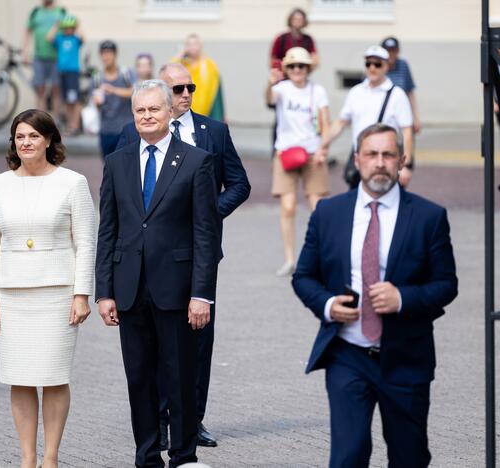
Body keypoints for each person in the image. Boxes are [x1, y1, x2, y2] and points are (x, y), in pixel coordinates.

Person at [292, 123, 458, 467]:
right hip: (347, 355)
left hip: (406, 357)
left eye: (388, 154)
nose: (379, 162)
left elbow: (446, 284)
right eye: (371, 154)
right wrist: (326, 305)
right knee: (348, 457)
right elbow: (304, 276)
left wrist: (403, 299)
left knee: (408, 456)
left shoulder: (429, 217)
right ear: (357, 159)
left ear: (402, 161)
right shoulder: (329, 213)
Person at [116, 64, 250, 451]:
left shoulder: (213, 132)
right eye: (177, 88)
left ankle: (193, 418)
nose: (186, 93)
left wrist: (206, 212)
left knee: (197, 340)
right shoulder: (134, 132)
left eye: (190, 86)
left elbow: (239, 183)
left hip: (197, 253)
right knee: (154, 345)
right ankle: (158, 421)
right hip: (150, 259)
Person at [96, 79, 220, 467]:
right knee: (139, 378)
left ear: (170, 112)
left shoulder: (197, 161)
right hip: (130, 288)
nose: (147, 116)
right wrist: (104, 292)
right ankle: (147, 456)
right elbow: (108, 229)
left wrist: (202, 294)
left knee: (180, 375)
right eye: (140, 111)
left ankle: (184, 456)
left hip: (178, 290)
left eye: (154, 109)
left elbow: (205, 234)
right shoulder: (117, 162)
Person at [0, 109, 95, 468]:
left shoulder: (73, 183)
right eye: (20, 137)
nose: (26, 142)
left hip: (57, 295)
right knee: (21, 378)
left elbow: (86, 242)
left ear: (48, 140)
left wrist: (81, 293)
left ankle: (51, 458)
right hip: (12, 295)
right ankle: (27, 458)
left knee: (54, 376)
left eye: (33, 136)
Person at [265, 47, 330, 277]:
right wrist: (270, 83)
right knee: (288, 206)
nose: (297, 70)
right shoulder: (281, 88)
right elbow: (270, 99)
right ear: (286, 69)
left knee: (318, 207)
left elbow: (325, 122)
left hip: (312, 153)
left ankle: (320, 256)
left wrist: (324, 148)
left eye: (301, 66)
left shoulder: (318, 91)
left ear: (308, 68)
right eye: (292, 66)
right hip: (286, 152)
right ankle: (290, 258)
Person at [319, 46, 414, 188]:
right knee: (357, 205)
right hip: (361, 159)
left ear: (386, 66)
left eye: (377, 64)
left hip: (385, 162)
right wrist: (322, 144)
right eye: (368, 64)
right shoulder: (356, 92)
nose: (372, 68)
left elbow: (407, 131)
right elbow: (341, 123)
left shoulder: (397, 95)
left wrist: (406, 165)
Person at [23, 0, 66, 113]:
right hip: (39, 57)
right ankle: (40, 121)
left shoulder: (61, 12)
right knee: (40, 89)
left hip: (57, 58)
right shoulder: (36, 12)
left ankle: (55, 121)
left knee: (56, 90)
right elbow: (27, 31)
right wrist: (25, 52)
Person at [92, 40, 133, 157]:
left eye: (109, 53)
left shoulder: (126, 74)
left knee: (127, 166)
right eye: (103, 53)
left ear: (115, 54)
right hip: (106, 129)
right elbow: (96, 103)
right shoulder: (97, 78)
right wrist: (97, 103)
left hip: (125, 129)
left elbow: (134, 92)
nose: (106, 57)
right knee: (108, 167)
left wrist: (113, 90)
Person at [46, 15, 83, 135]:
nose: (68, 30)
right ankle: (69, 125)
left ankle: (74, 125)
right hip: (62, 73)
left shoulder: (75, 39)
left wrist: (78, 26)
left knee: (74, 99)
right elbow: (49, 37)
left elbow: (83, 37)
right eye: (66, 28)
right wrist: (56, 25)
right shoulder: (60, 38)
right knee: (66, 100)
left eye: (71, 28)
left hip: (73, 73)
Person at [176, 34, 224, 121]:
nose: (193, 47)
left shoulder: (209, 65)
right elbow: (169, 72)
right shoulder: (182, 63)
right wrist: (180, 55)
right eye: (189, 44)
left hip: (206, 111)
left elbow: (215, 93)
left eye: (195, 44)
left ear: (200, 46)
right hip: (183, 110)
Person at [382, 37, 421, 135]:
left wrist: (415, 117)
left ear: (398, 51)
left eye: (393, 50)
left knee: (405, 147)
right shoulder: (376, 67)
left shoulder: (403, 65)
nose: (390, 54)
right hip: (383, 118)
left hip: (402, 116)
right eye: (387, 51)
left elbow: (410, 91)